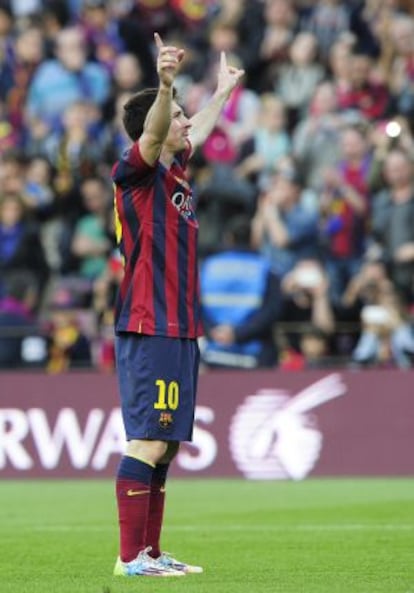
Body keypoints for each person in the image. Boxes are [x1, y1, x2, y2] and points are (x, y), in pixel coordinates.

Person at [111, 32, 244, 577]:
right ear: (157, 130)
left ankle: (149, 553)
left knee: (165, 446)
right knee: (147, 439)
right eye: (179, 117)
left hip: (181, 326)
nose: (188, 123)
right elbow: (158, 130)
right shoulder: (137, 174)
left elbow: (195, 129)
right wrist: (165, 87)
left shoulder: (174, 173)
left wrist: (221, 94)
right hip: (152, 321)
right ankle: (128, 560)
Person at [200, 215, 282, 369]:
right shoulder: (266, 268)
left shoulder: (208, 266)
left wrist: (213, 332)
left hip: (213, 351)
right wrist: (237, 334)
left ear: (228, 238)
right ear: (252, 239)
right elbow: (271, 312)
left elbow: (194, 306)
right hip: (254, 353)